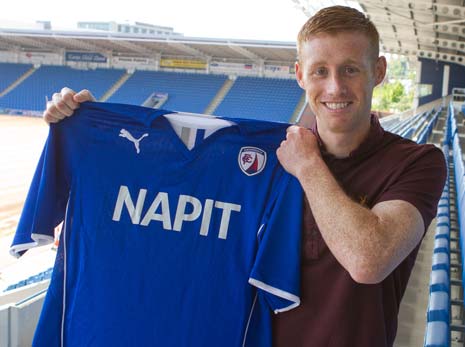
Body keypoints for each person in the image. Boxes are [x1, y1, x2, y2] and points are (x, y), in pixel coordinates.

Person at [43, 6, 446, 347]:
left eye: (351, 69)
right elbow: (170, 187)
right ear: (300, 76)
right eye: (320, 70)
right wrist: (98, 130)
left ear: (378, 71)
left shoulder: (418, 161)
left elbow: (368, 260)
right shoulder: (261, 158)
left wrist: (307, 166)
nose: (335, 86)